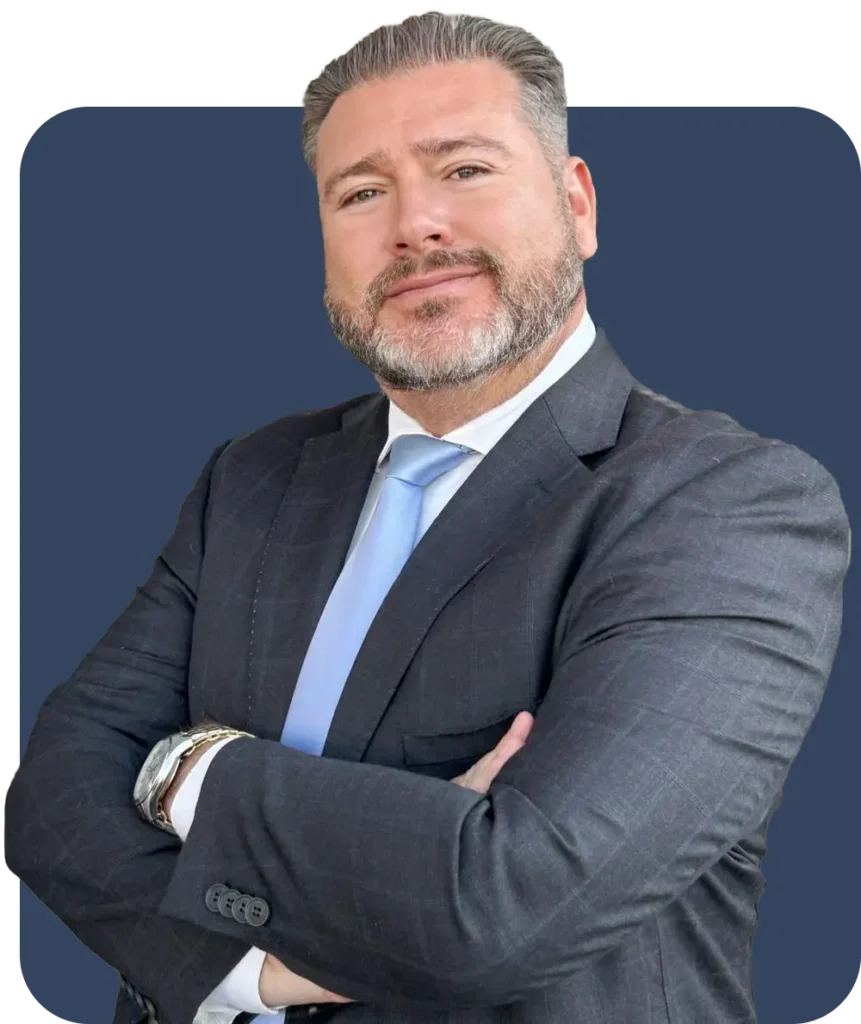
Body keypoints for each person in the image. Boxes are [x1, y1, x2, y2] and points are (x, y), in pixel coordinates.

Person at [5, 10, 851, 1024]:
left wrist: (189, 768)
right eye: (361, 192)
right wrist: (249, 973)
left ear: (577, 204)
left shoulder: (726, 503)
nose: (415, 225)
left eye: (465, 170)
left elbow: (503, 908)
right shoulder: (254, 476)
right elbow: (51, 799)